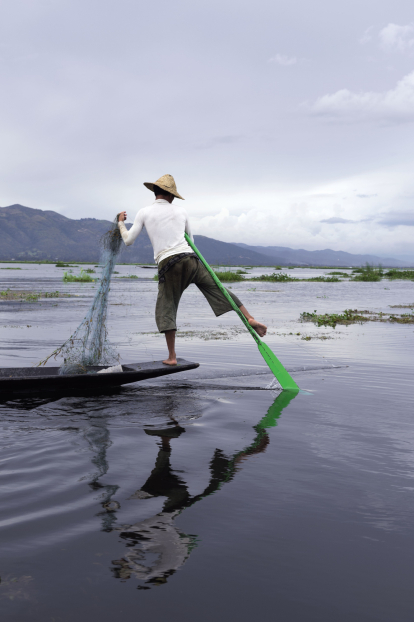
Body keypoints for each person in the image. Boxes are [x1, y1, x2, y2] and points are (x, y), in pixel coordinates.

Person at [117, 174, 267, 365]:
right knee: (218, 288)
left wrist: (121, 223)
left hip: (169, 263)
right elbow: (191, 241)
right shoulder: (181, 212)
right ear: (170, 195)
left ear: (155, 193)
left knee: (167, 305)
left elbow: (128, 240)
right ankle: (250, 318)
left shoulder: (144, 212)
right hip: (191, 259)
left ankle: (172, 357)